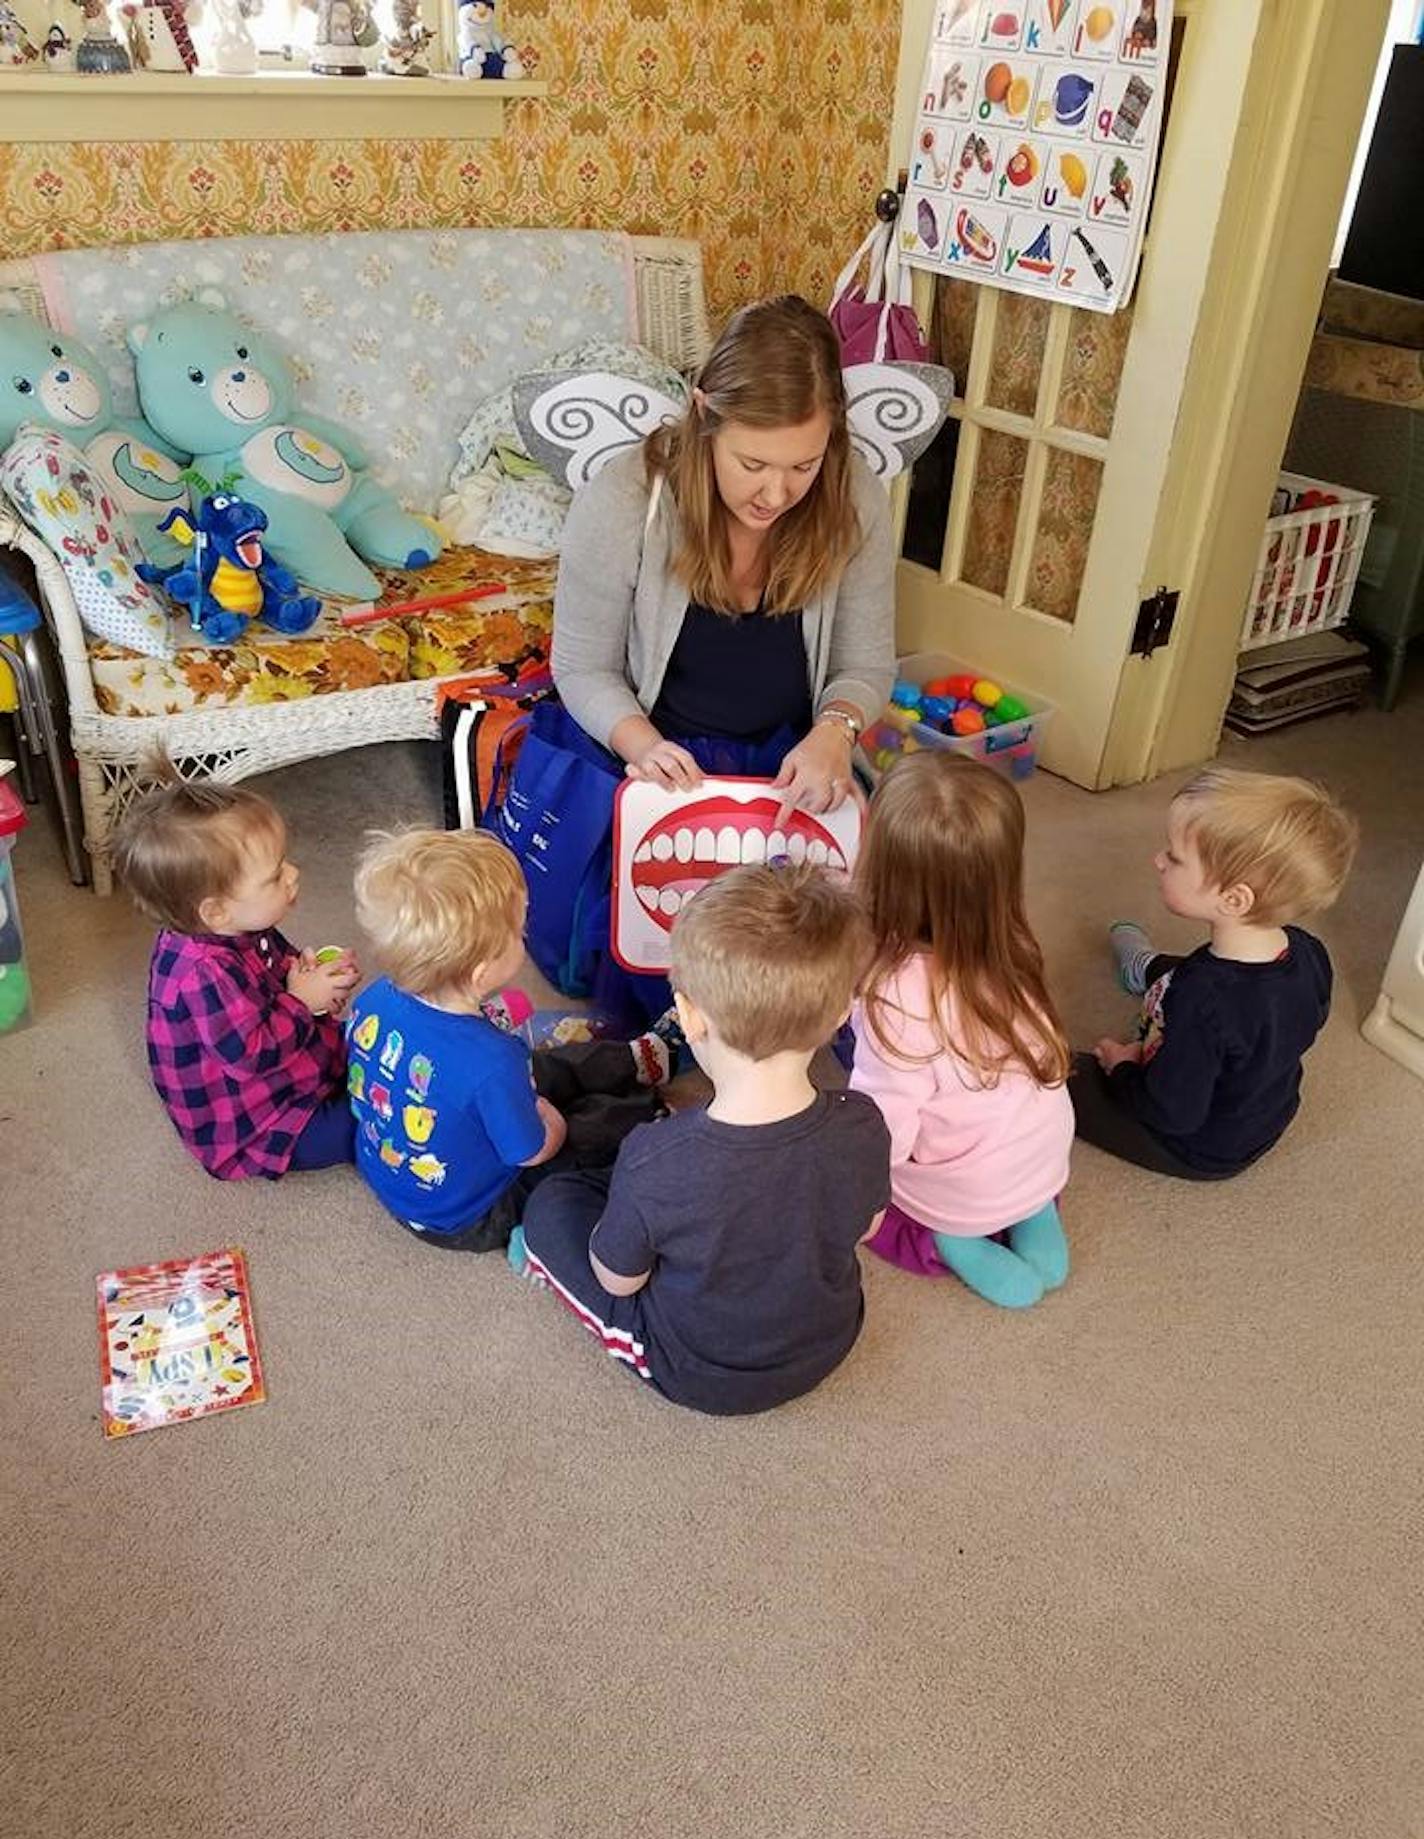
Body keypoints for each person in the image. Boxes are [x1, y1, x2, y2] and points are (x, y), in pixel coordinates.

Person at [550, 293, 897, 1021]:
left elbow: (867, 663)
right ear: (703, 412)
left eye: (803, 465)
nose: (776, 492)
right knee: (657, 955)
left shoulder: (856, 493)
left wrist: (836, 730)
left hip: (793, 754)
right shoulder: (623, 499)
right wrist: (640, 742)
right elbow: (581, 665)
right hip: (663, 750)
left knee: (844, 958)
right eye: (753, 463)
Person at [519, 864, 890, 1415]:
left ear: (688, 1017)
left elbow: (618, 1282)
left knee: (548, 1209)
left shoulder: (657, 1159)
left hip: (695, 1370)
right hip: (829, 1339)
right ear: (841, 1014)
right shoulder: (863, 1123)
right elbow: (867, 1226)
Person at [348, 828, 672, 1257]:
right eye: (520, 932)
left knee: (541, 1069)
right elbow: (533, 1151)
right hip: (471, 1215)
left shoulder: (373, 998)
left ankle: (635, 1059)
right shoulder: (493, 1061)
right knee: (588, 1130)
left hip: (396, 1176)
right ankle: (652, 1116)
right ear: (481, 972)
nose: (525, 936)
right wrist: (547, 1116)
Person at [848, 752, 1075, 1309]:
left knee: (861, 1185)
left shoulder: (892, 993)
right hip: (1040, 1153)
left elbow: (885, 1125)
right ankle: (1034, 1211)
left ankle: (954, 1242)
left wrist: (854, 1179)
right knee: (996, 1115)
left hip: (964, 1190)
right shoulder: (1012, 943)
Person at [1072, 767, 1358, 1180]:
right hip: (1266, 1113)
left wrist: (1124, 1068)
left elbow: (1171, 1113)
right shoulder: (1305, 949)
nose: (1157, 860)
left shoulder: (1201, 999)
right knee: (1193, 976)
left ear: (1234, 899)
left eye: (1173, 857)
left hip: (1200, 1146)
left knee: (1054, 1075)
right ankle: (1145, 970)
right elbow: (1298, 1021)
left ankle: (1140, 992)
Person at [111, 774, 359, 1180]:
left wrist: (309, 977)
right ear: (216, 912)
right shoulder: (201, 974)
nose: (293, 874)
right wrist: (302, 1003)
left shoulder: (236, 924)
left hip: (285, 1048)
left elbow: (274, 967)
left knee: (371, 1043)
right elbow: (250, 1055)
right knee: (371, 1128)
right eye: (276, 875)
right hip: (253, 1123)